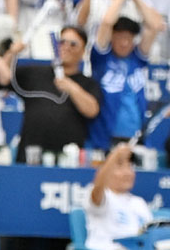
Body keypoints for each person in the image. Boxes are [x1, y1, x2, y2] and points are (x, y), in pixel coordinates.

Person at [9, 25, 102, 162]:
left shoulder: (88, 84)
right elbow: (2, 78)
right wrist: (12, 53)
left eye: (73, 44)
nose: (66, 47)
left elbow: (92, 110)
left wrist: (71, 87)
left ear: (83, 51)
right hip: (31, 157)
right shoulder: (35, 72)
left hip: (67, 160)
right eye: (62, 42)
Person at [90, 0, 162, 150]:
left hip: (135, 138)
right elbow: (107, 22)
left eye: (128, 38)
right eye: (119, 37)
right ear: (111, 38)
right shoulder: (101, 59)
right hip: (105, 139)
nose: (124, 43)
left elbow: (154, 26)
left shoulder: (138, 58)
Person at [82, 143, 152, 250]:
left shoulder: (139, 202)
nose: (127, 172)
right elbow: (97, 188)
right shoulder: (102, 195)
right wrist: (115, 156)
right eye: (120, 167)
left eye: (130, 167)